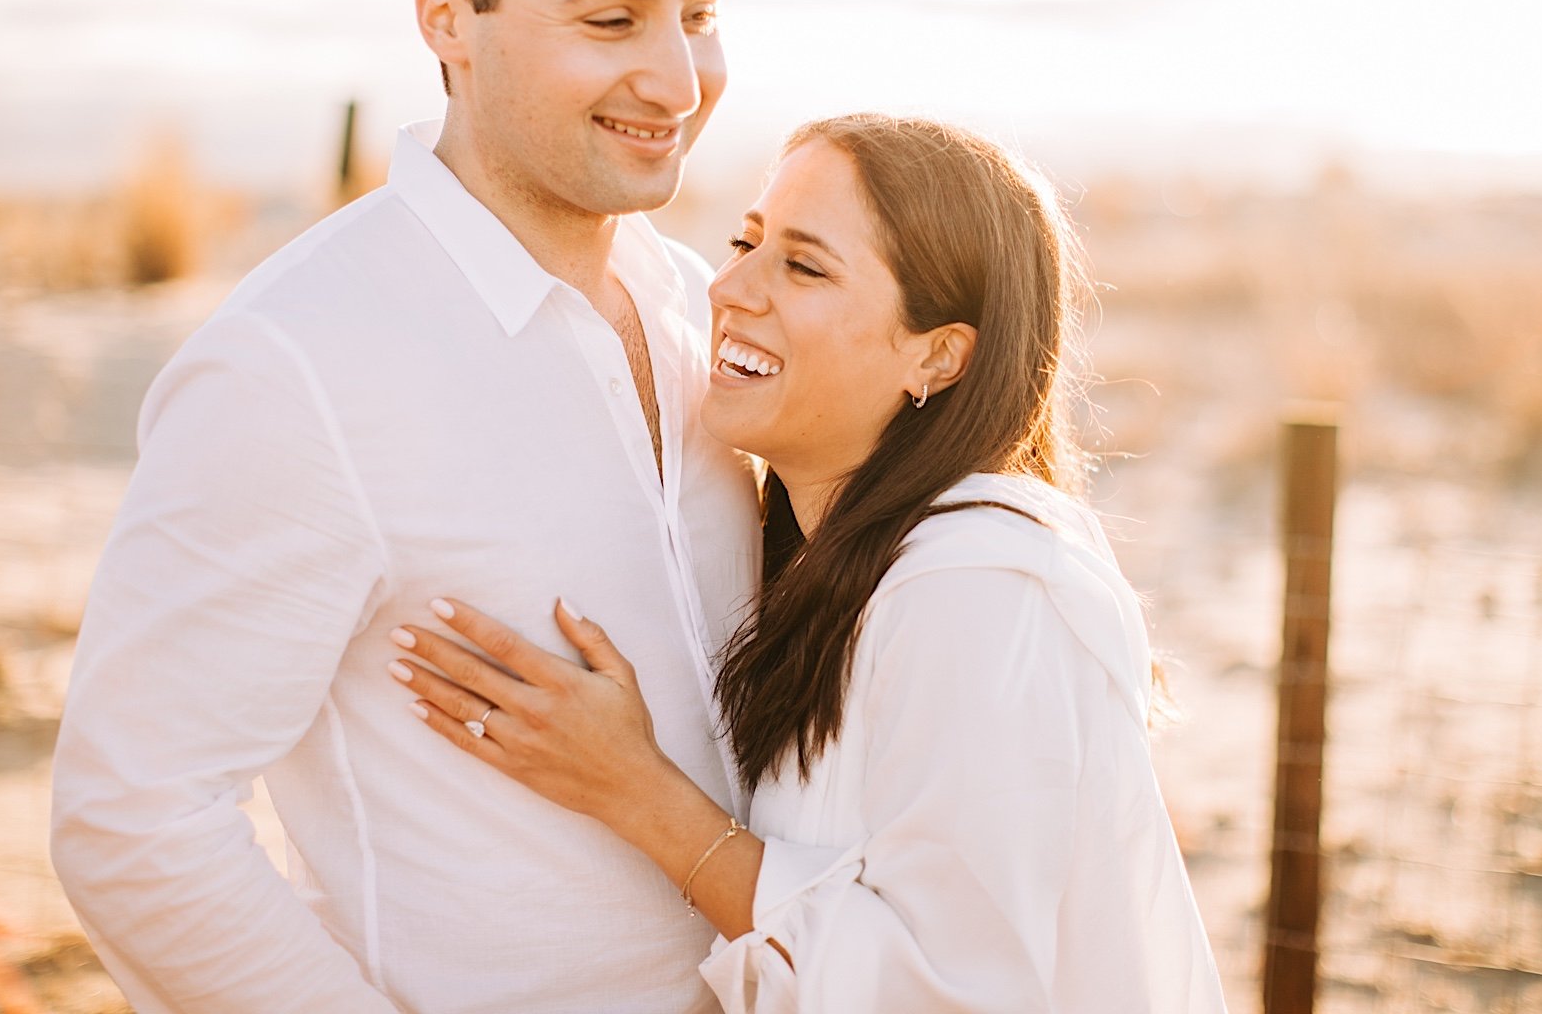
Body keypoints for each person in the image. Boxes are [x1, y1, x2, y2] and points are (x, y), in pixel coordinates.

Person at [49, 0, 761, 1010]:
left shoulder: (704, 307)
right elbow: (133, 815)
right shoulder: (300, 362)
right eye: (610, 17)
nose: (680, 80)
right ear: (446, 19)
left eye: (696, 11)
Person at [386, 114, 1230, 1012]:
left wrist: (636, 793)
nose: (731, 286)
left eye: (804, 265)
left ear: (937, 357)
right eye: (745, 241)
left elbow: (946, 989)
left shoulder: (978, 589)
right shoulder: (821, 560)